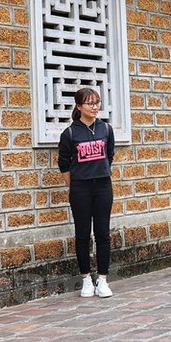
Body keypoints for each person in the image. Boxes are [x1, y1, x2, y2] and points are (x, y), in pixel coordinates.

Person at [58, 87, 116, 298]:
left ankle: (102, 280)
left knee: (103, 234)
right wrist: (75, 185)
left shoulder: (106, 130)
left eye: (97, 102)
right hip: (80, 188)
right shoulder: (70, 133)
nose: (95, 107)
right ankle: (86, 280)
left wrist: (98, 172)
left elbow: (109, 156)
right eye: (90, 103)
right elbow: (64, 165)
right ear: (79, 106)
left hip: (103, 187)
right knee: (82, 235)